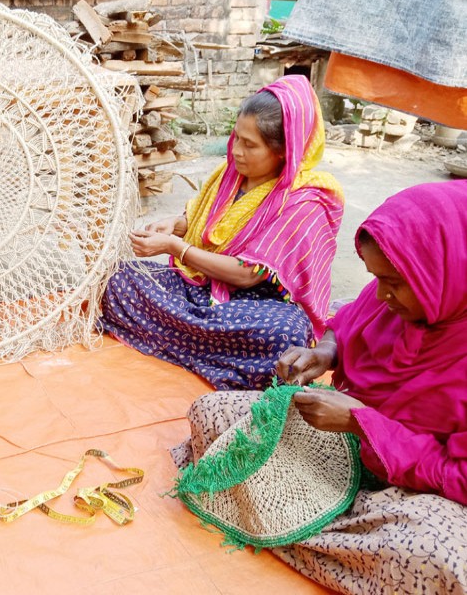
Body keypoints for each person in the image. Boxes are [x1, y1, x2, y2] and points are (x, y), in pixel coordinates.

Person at [174, 181, 467, 592]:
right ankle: (307, 526)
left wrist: (364, 424)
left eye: (396, 283)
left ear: (448, 269)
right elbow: (344, 323)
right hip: (341, 439)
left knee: (444, 558)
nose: (382, 294)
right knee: (211, 413)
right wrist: (326, 352)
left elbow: (458, 476)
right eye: (376, 278)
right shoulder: (393, 293)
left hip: (410, 489)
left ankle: (273, 514)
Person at [99, 75, 344, 390]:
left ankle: (183, 338)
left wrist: (176, 248)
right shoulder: (229, 175)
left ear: (284, 149)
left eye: (250, 144)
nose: (237, 150)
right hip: (203, 286)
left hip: (254, 307)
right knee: (118, 278)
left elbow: (246, 275)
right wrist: (175, 225)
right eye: (237, 137)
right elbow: (209, 226)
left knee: (286, 336)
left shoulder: (304, 201)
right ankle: (208, 348)